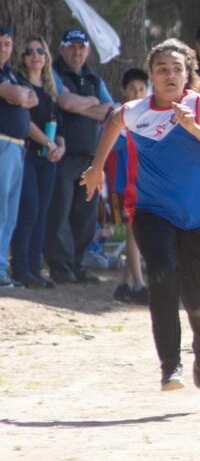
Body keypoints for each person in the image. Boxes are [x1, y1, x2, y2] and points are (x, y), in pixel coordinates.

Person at [80, 38, 200, 391]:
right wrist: (96, 167)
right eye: (162, 69)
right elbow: (113, 122)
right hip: (151, 211)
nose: (170, 75)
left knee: (196, 301)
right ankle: (171, 366)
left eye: (177, 69)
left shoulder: (196, 106)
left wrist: (194, 128)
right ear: (151, 76)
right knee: (162, 275)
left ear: (187, 75)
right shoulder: (137, 111)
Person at [46, 28, 115, 285]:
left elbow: (109, 111)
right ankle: (60, 266)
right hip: (64, 154)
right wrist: (91, 102)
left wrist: (80, 104)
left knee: (85, 216)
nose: (77, 52)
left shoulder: (94, 79)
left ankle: (77, 264)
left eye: (81, 47)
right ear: (62, 48)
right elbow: (64, 103)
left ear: (88, 51)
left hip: (90, 156)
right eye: (72, 46)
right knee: (60, 213)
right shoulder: (54, 72)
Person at [10, 34, 67, 289]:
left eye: (40, 51)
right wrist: (48, 143)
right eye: (30, 51)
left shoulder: (51, 89)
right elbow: (26, 123)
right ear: (23, 57)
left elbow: (58, 125)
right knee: (29, 210)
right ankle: (20, 268)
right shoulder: (20, 84)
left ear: (46, 57)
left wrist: (60, 147)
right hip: (27, 155)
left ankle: (35, 269)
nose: (35, 56)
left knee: (42, 213)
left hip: (49, 158)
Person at [0, 26, 40, 288]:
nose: (3, 48)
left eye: (7, 43)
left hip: (17, 148)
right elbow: (18, 95)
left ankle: (1, 269)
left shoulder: (11, 74)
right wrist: (18, 95)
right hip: (2, 145)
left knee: (10, 214)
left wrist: (19, 96)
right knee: (1, 210)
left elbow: (32, 97)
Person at [107, 69, 149, 304]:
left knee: (137, 231)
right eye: (132, 88)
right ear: (124, 90)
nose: (137, 93)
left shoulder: (150, 115)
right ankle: (139, 284)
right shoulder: (119, 114)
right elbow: (112, 145)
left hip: (143, 182)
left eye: (141, 89)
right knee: (134, 231)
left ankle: (125, 284)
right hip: (124, 182)